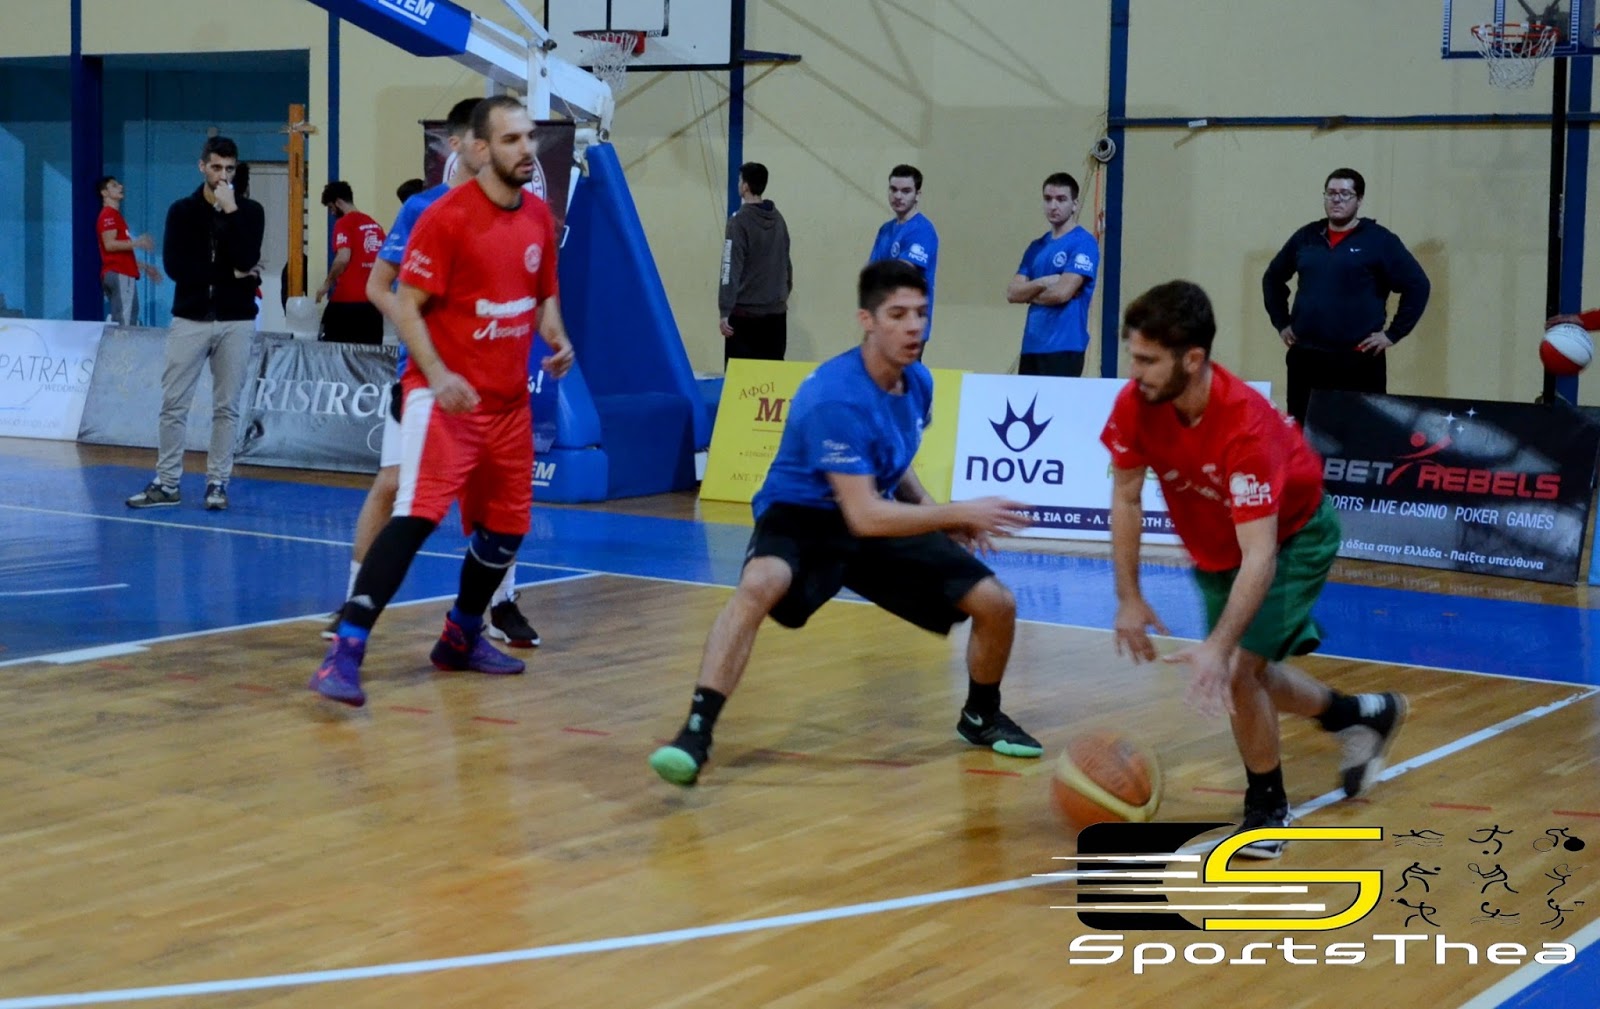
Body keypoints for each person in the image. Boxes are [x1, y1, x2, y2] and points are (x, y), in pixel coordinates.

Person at [649, 259, 1042, 787]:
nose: (913, 327)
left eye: (920, 314)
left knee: (996, 603)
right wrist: (957, 511)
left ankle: (981, 715)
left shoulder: (918, 382)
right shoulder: (833, 397)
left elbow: (893, 462)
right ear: (867, 320)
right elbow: (864, 515)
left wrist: (935, 512)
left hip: (871, 510)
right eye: (897, 315)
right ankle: (696, 732)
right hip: (803, 514)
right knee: (760, 583)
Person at [1102, 279, 1408, 859]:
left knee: (1239, 669)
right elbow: (1126, 497)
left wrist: (1219, 648)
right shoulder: (1137, 405)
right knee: (1252, 673)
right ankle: (1359, 714)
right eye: (1132, 356)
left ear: (1193, 359)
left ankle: (1267, 810)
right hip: (1215, 547)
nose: (1134, 372)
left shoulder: (1244, 425)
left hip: (1293, 539)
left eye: (1147, 360)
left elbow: (1262, 555)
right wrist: (1128, 596)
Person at [310, 96, 574, 707]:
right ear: (479, 149)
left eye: (529, 137)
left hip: (507, 405)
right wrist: (436, 373)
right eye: (511, 139)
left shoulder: (538, 216)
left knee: (508, 527)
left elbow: (542, 294)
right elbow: (403, 301)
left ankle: (460, 636)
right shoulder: (445, 217)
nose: (526, 148)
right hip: (444, 397)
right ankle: (344, 652)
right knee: (417, 512)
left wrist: (556, 335)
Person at [126, 136, 265, 512]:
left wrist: (231, 211)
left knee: (227, 407)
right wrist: (232, 274)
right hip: (190, 317)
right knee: (174, 403)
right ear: (202, 166)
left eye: (230, 169)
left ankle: (217, 482)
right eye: (216, 167)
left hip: (236, 320)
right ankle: (167, 482)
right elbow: (177, 267)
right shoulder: (182, 211)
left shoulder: (250, 212)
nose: (223, 175)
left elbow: (247, 256)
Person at [1262, 168, 1431, 426]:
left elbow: (1417, 285)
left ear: (1359, 199)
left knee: (1360, 433)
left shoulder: (1379, 240)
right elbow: (1273, 278)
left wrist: (1393, 334)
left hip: (1358, 360)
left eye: (1345, 194)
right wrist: (1281, 322)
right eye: (1331, 193)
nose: (1337, 199)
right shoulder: (1306, 237)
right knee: (1303, 433)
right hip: (1307, 358)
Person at [1005, 172, 1100, 377]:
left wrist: (1028, 294)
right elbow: (1012, 293)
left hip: (1065, 346)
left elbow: (1061, 293)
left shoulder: (1083, 242)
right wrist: (1044, 282)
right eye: (1048, 199)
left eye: (1061, 199)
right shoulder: (1036, 247)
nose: (1053, 206)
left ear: (1074, 204)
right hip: (1032, 346)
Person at [718, 162, 792, 367]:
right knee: (771, 379)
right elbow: (787, 264)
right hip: (776, 317)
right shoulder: (779, 220)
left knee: (742, 381)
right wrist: (781, 296)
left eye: (739, 181)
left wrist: (725, 309)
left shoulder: (738, 222)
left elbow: (729, 268)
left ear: (745, 187)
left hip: (745, 318)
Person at [866, 164, 938, 349]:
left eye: (906, 191)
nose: (898, 196)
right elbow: (871, 275)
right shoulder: (885, 230)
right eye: (893, 190)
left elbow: (902, 273)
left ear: (917, 195)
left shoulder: (922, 230)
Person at [314, 182, 386, 345]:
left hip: (347, 302)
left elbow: (343, 258)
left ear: (339, 202)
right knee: (369, 356)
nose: (332, 213)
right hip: (373, 305)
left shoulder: (345, 223)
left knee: (332, 352)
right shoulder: (375, 226)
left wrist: (326, 285)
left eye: (331, 208)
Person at [95, 175, 163, 326]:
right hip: (119, 274)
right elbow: (109, 245)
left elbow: (120, 254)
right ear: (104, 193)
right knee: (124, 320)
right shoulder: (108, 215)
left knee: (127, 316)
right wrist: (138, 242)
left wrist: (145, 267)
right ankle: (120, 342)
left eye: (119, 184)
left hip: (120, 273)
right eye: (114, 185)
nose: (121, 187)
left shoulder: (115, 216)